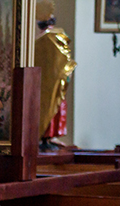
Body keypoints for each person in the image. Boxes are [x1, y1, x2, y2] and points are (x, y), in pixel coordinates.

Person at [35, 0, 76, 150]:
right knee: (51, 105)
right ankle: (48, 135)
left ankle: (49, 136)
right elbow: (64, 58)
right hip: (51, 80)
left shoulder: (40, 40)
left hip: (47, 81)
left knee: (50, 106)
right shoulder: (54, 37)